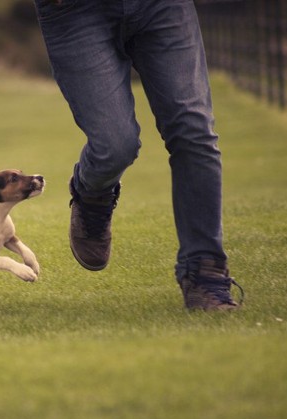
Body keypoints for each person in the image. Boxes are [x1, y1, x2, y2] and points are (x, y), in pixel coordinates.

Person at [33, 0, 242, 310]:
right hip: (75, 11)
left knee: (193, 131)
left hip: (163, 7)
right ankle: (91, 195)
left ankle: (204, 272)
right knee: (115, 145)